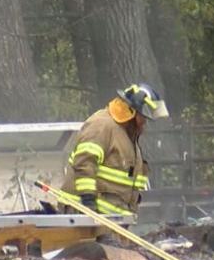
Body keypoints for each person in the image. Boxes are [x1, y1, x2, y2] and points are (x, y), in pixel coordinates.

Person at [59, 83, 168, 219]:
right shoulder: (102, 125)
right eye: (144, 117)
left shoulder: (127, 134)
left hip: (110, 220)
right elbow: (85, 163)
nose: (145, 123)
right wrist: (88, 202)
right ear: (131, 111)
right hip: (84, 216)